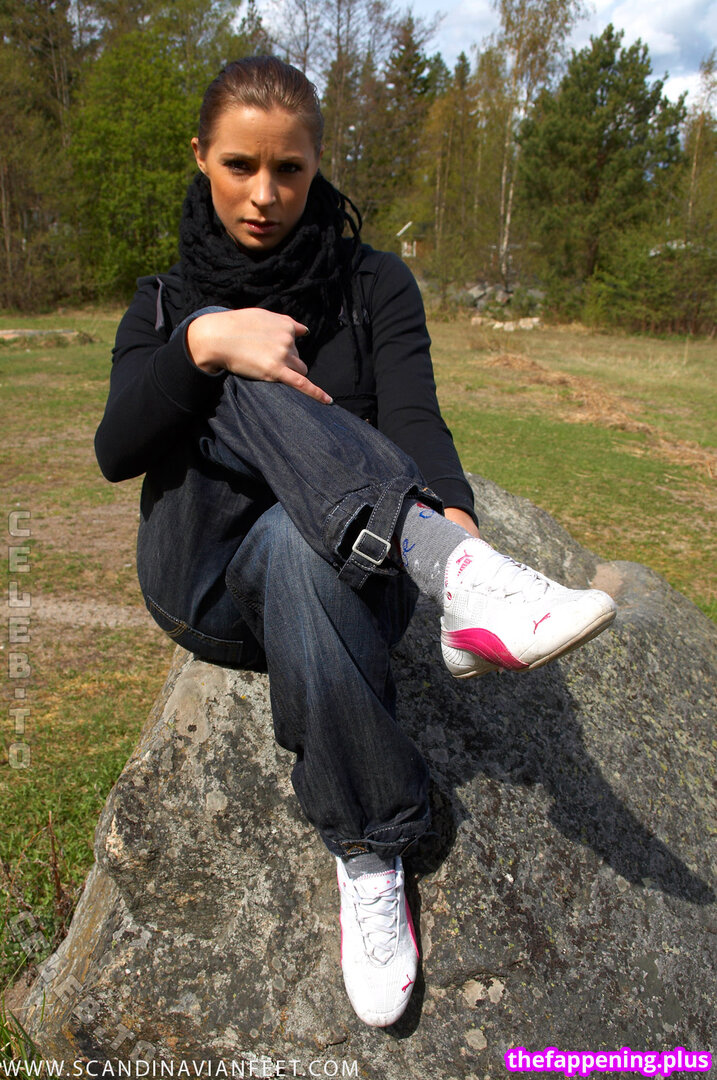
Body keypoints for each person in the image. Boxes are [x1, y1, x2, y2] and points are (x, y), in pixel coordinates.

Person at [94, 56, 616, 1029]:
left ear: (317, 163)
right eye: (240, 165)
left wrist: (455, 518)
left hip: (340, 564)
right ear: (201, 156)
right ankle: (455, 575)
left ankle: (370, 851)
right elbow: (114, 450)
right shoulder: (165, 300)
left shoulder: (374, 284)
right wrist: (203, 347)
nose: (264, 194)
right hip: (202, 574)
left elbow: (415, 421)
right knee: (231, 343)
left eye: (288, 169)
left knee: (301, 544)